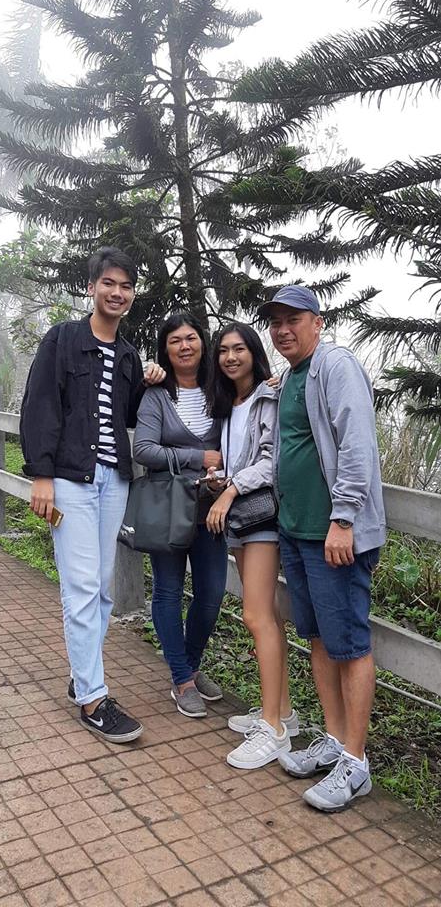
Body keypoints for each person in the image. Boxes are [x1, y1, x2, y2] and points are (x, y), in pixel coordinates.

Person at [20, 247, 165, 743]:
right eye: (109, 283)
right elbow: (40, 406)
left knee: (101, 589)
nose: (117, 293)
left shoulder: (128, 355)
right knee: (81, 587)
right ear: (91, 287)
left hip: (114, 481)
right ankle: (93, 699)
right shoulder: (62, 339)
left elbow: (128, 415)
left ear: (132, 294)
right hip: (69, 480)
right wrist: (41, 475)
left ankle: (83, 674)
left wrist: (150, 381)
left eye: (126, 286)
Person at [258, 284, 386, 812]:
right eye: (275, 322)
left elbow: (357, 443)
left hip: (334, 535)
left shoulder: (336, 366)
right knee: (316, 638)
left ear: (318, 321)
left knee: (349, 644)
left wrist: (343, 518)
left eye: (294, 319)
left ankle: (356, 762)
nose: (282, 329)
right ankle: (334, 740)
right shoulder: (291, 376)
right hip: (296, 531)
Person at [206, 323, 299, 770]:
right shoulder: (229, 404)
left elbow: (271, 461)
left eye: (239, 348)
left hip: (260, 516)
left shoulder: (269, 395)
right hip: (240, 516)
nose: (230, 357)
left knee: (256, 616)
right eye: (223, 350)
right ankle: (284, 713)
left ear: (253, 353)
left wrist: (229, 490)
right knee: (267, 616)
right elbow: (241, 459)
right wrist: (220, 480)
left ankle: (273, 730)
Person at [133, 312, 228, 718]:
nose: (184, 346)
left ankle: (188, 664)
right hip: (169, 509)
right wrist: (197, 457)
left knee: (211, 593)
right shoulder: (157, 395)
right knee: (168, 592)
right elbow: (143, 450)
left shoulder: (219, 390)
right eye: (175, 341)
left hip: (212, 510)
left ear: (202, 343)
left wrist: (272, 384)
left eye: (190, 338)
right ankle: (182, 678)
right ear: (165, 349)